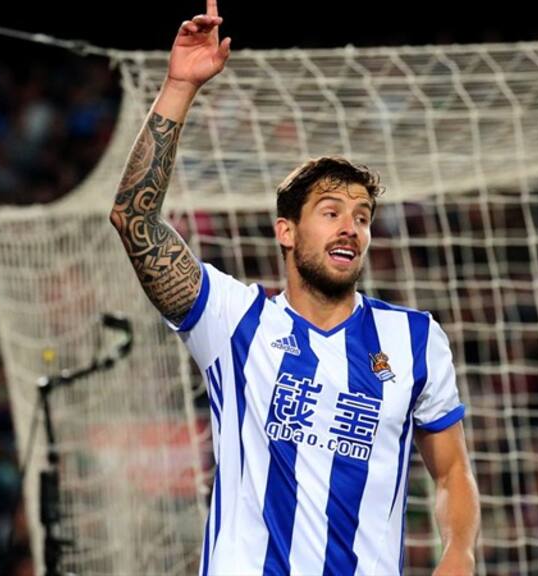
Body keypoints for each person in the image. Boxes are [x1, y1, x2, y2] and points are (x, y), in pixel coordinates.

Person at [109, 1, 480, 574]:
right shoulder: (232, 320)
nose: (350, 228)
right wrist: (180, 84)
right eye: (331, 212)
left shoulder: (416, 339)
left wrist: (460, 550)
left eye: (361, 216)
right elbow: (135, 216)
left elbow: (453, 472)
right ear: (286, 230)